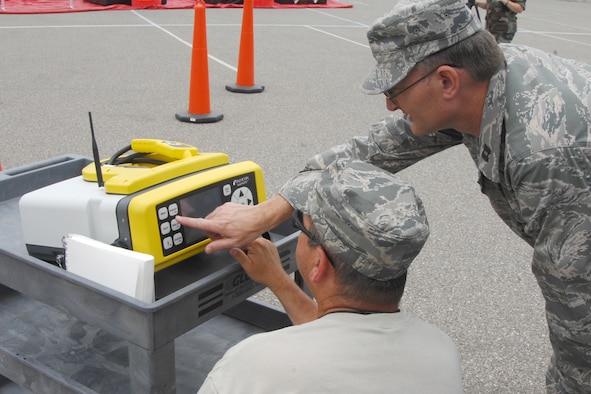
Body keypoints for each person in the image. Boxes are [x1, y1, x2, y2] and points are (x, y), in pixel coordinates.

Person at [176, 0, 591, 392]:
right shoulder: (486, 80)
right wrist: (266, 213)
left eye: (396, 88)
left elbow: (579, 313)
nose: (390, 105)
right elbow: (373, 148)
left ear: (446, 80)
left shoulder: (548, 156)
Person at [192, 159, 463, 394]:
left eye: (301, 225)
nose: (298, 230)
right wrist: (278, 279)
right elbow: (343, 342)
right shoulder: (441, 351)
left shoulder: (252, 367)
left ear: (319, 262)